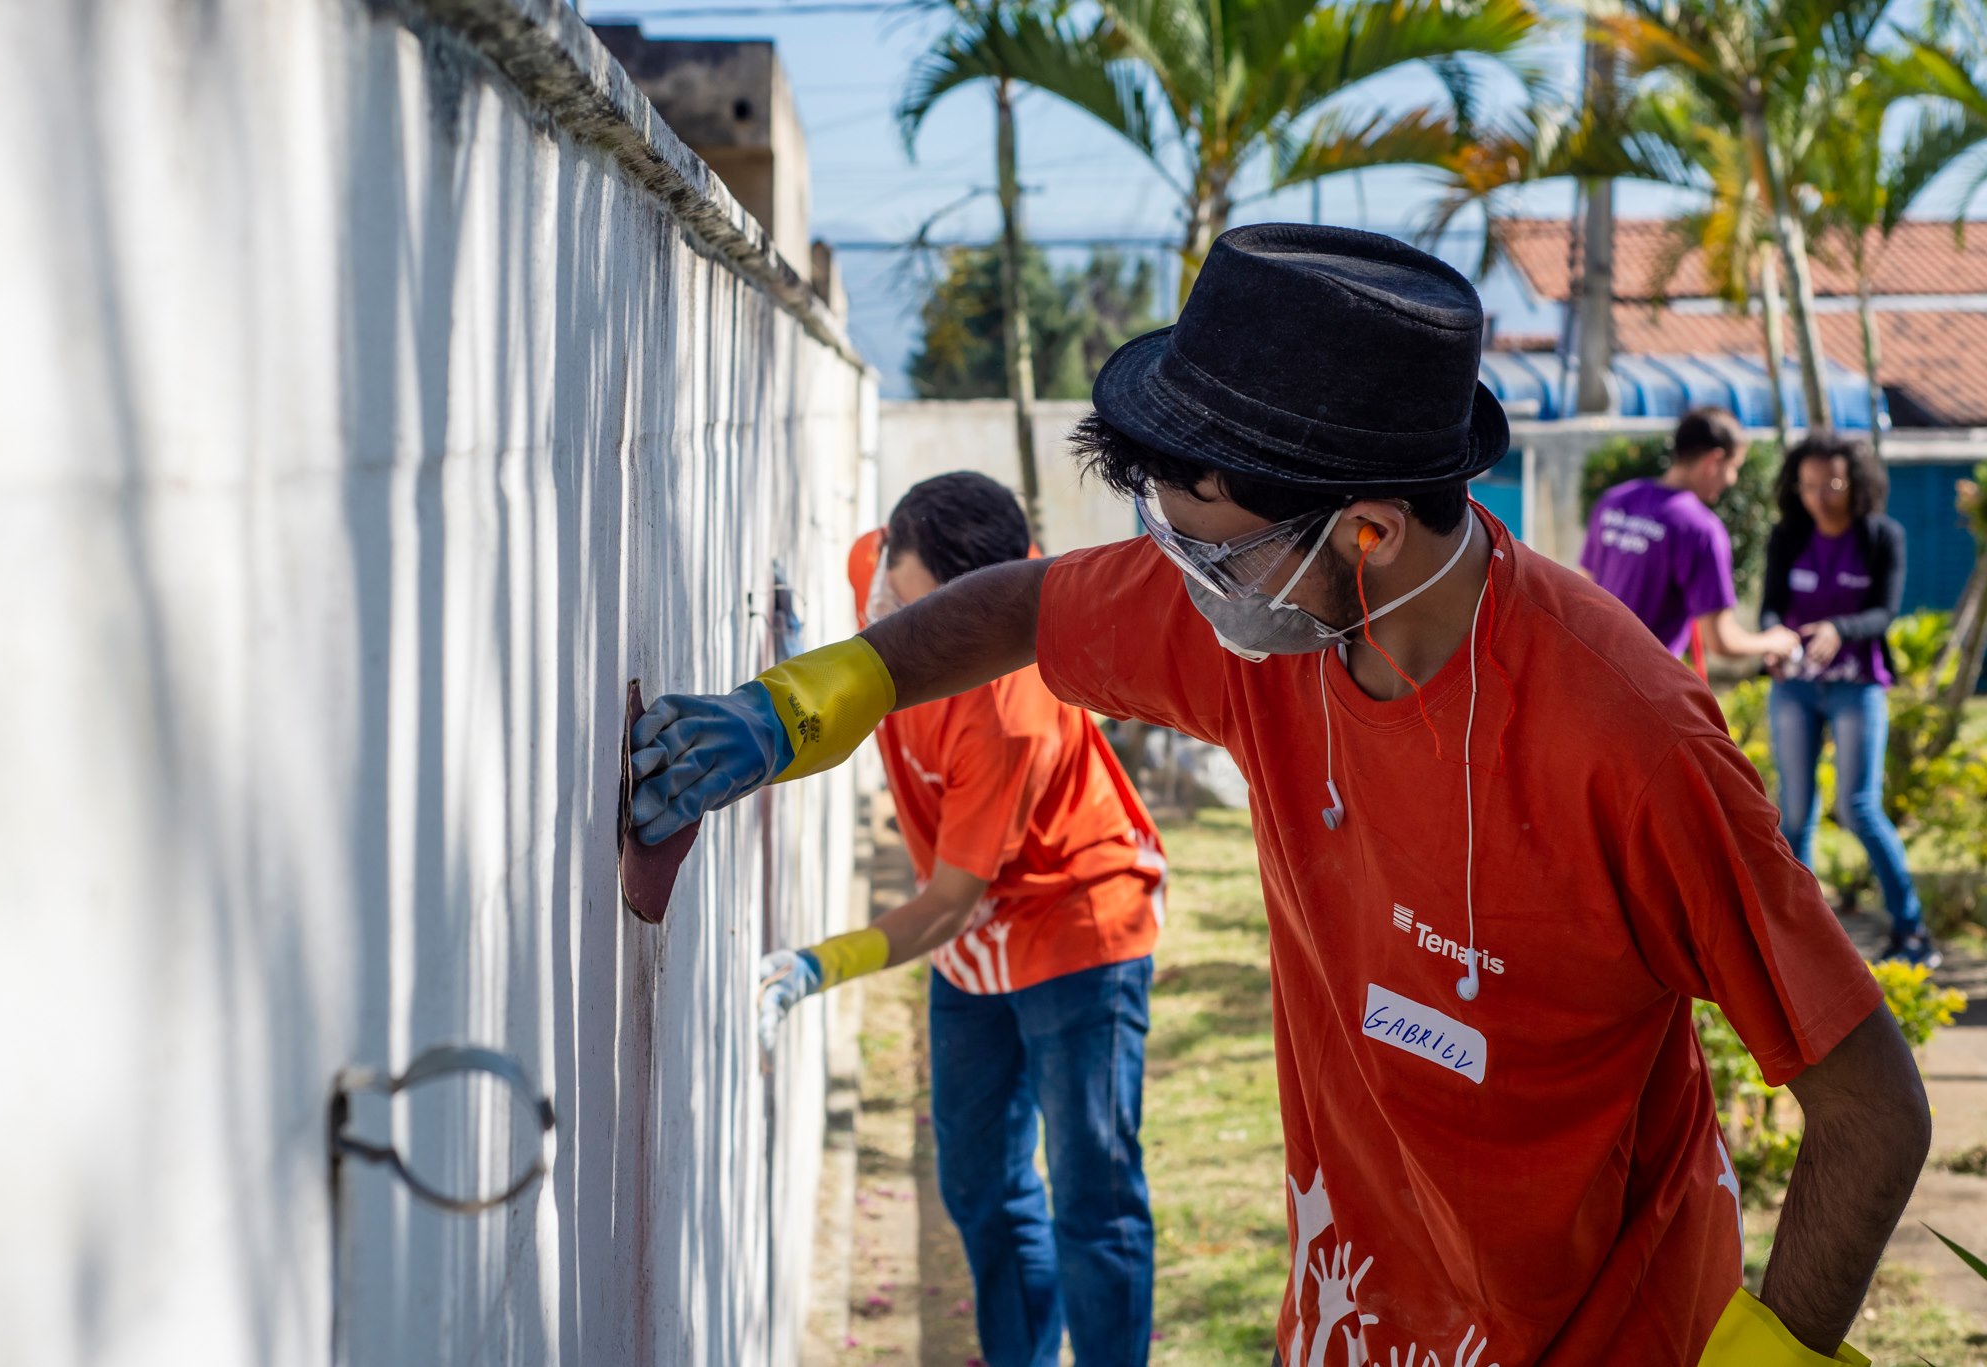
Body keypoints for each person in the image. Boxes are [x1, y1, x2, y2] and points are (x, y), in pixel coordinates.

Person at [629, 225, 1927, 1367]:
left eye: (1210, 547)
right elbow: (1024, 604)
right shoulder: (1274, 617)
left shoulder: (1630, 745)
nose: (1181, 579)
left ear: (1367, 530)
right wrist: (801, 706)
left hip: (1597, 1331)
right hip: (1354, 1309)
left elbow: (1873, 1103)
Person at [752, 471, 1167, 1367]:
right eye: (908, 608)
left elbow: (947, 903)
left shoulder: (1006, 710)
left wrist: (817, 965)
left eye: (948, 625)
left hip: (1074, 923)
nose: (920, 640)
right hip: (976, 947)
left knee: (1092, 1198)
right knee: (979, 1182)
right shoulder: (885, 561)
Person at [1762, 433, 1934, 966]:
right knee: (1795, 813)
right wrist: (1774, 641)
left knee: (1859, 808)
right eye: (1809, 485)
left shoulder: (1882, 536)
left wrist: (1839, 627)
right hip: (1794, 686)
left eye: (1832, 483)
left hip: (1858, 684)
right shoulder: (1787, 536)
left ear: (1856, 483)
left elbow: (1885, 611)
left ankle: (1912, 932)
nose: (1820, 495)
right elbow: (1770, 610)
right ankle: (1807, 942)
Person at [1581, 406, 1803, 670]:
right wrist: (1772, 642)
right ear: (1713, 461)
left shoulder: (1615, 501)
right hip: (1643, 683)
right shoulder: (1701, 529)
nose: (1732, 480)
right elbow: (1721, 640)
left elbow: (1583, 585)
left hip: (1591, 668)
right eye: (1733, 467)